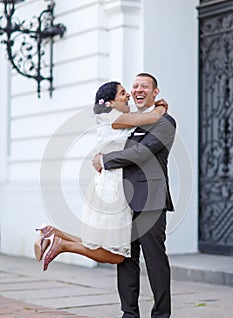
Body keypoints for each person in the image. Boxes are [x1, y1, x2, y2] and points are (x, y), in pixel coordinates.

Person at [34, 81, 168, 271]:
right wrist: (161, 106)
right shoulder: (115, 117)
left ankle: (54, 233)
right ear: (111, 102)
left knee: (98, 243)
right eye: (123, 93)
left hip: (108, 183)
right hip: (114, 188)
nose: (128, 95)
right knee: (117, 256)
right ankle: (62, 245)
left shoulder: (113, 117)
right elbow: (154, 117)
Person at [92, 73, 176, 318]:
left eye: (145, 86)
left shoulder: (165, 121)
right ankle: (129, 317)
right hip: (122, 201)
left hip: (151, 200)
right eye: (134, 86)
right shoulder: (126, 122)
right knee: (126, 260)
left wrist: (106, 160)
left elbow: (141, 154)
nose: (138, 90)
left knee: (155, 260)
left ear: (155, 92)